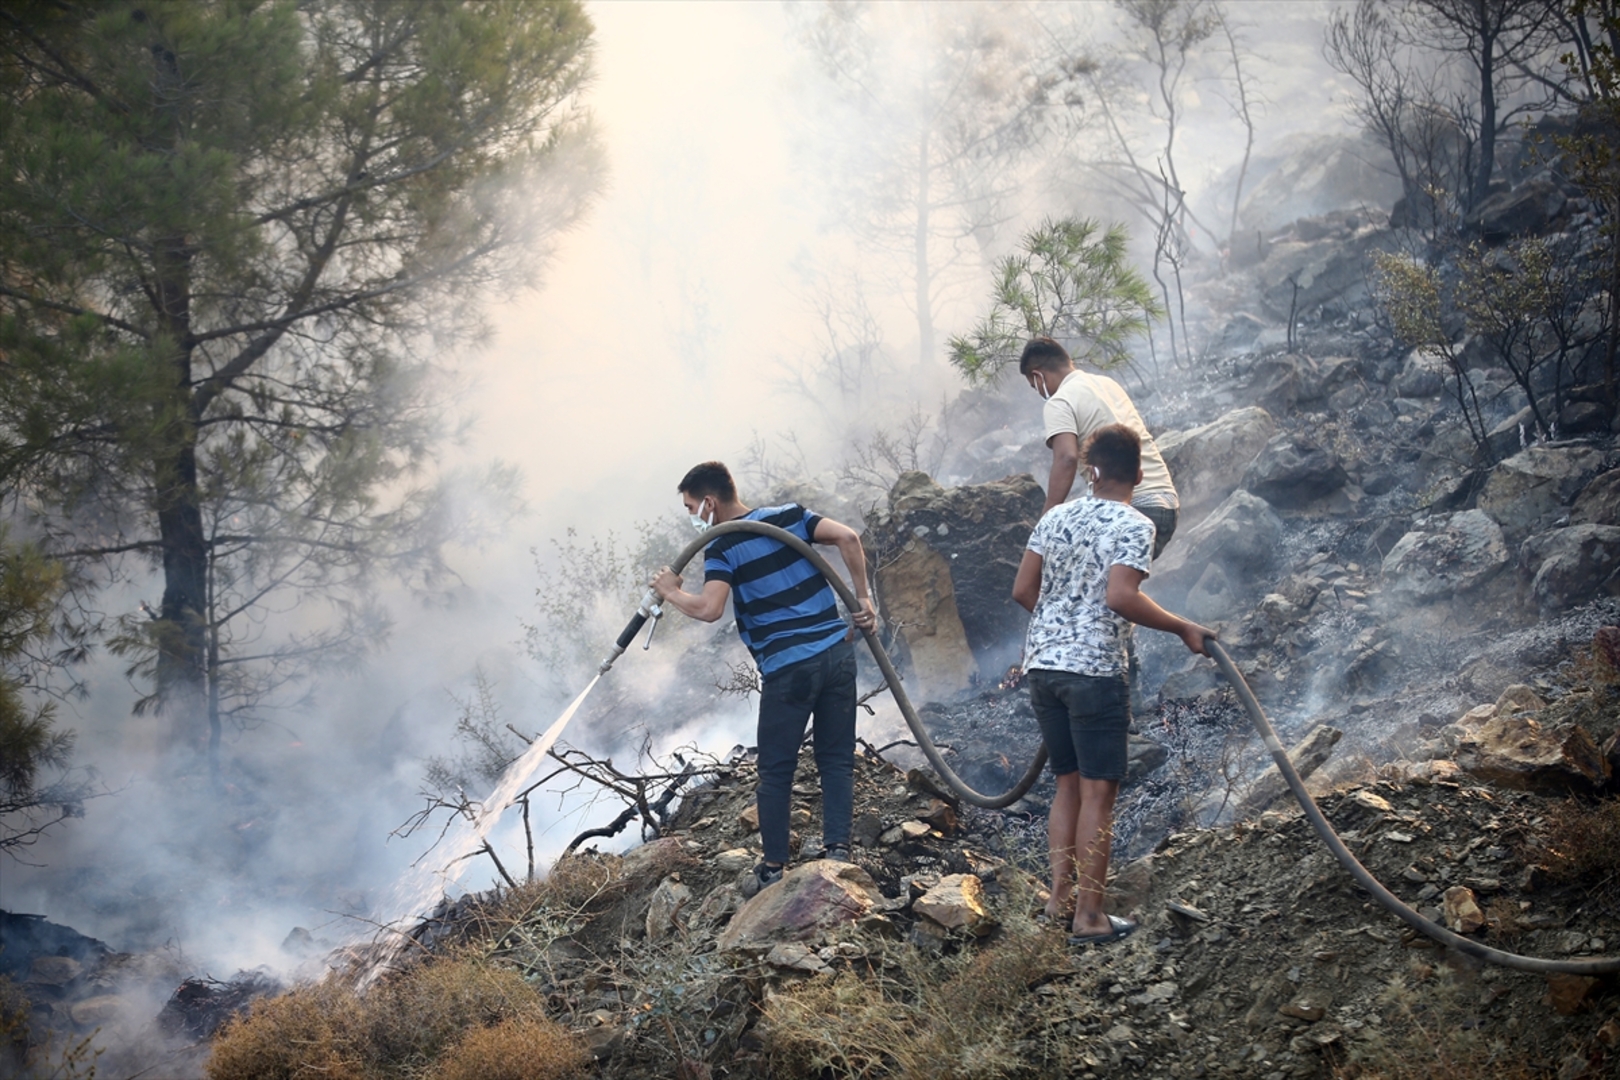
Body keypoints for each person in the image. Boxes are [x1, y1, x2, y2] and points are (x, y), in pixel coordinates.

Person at [1011, 425, 1212, 946]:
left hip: (1044, 667)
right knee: (1099, 792)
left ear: (1090, 471)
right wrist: (1183, 626)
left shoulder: (1053, 518)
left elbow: (1022, 590)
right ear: (1139, 475)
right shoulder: (1134, 522)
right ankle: (1091, 917)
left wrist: (1060, 626)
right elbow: (1122, 597)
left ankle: (1058, 904)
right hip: (1094, 670)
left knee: (1067, 784)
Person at [650, 461, 878, 897]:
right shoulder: (789, 516)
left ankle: (773, 869)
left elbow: (709, 609)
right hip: (837, 656)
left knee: (775, 771)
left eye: (691, 507)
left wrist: (670, 591)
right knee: (835, 759)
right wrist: (863, 601)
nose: (692, 516)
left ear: (710, 503)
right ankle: (839, 854)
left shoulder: (723, 546)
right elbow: (849, 537)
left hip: (790, 669)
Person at [1021, 336, 1181, 559]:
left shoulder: (1060, 401)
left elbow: (1066, 458)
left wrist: (1046, 523)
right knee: (1115, 587)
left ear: (1038, 376)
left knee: (1083, 580)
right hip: (1165, 502)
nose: (1037, 392)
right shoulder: (1108, 384)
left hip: (1132, 507)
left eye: (1033, 386)